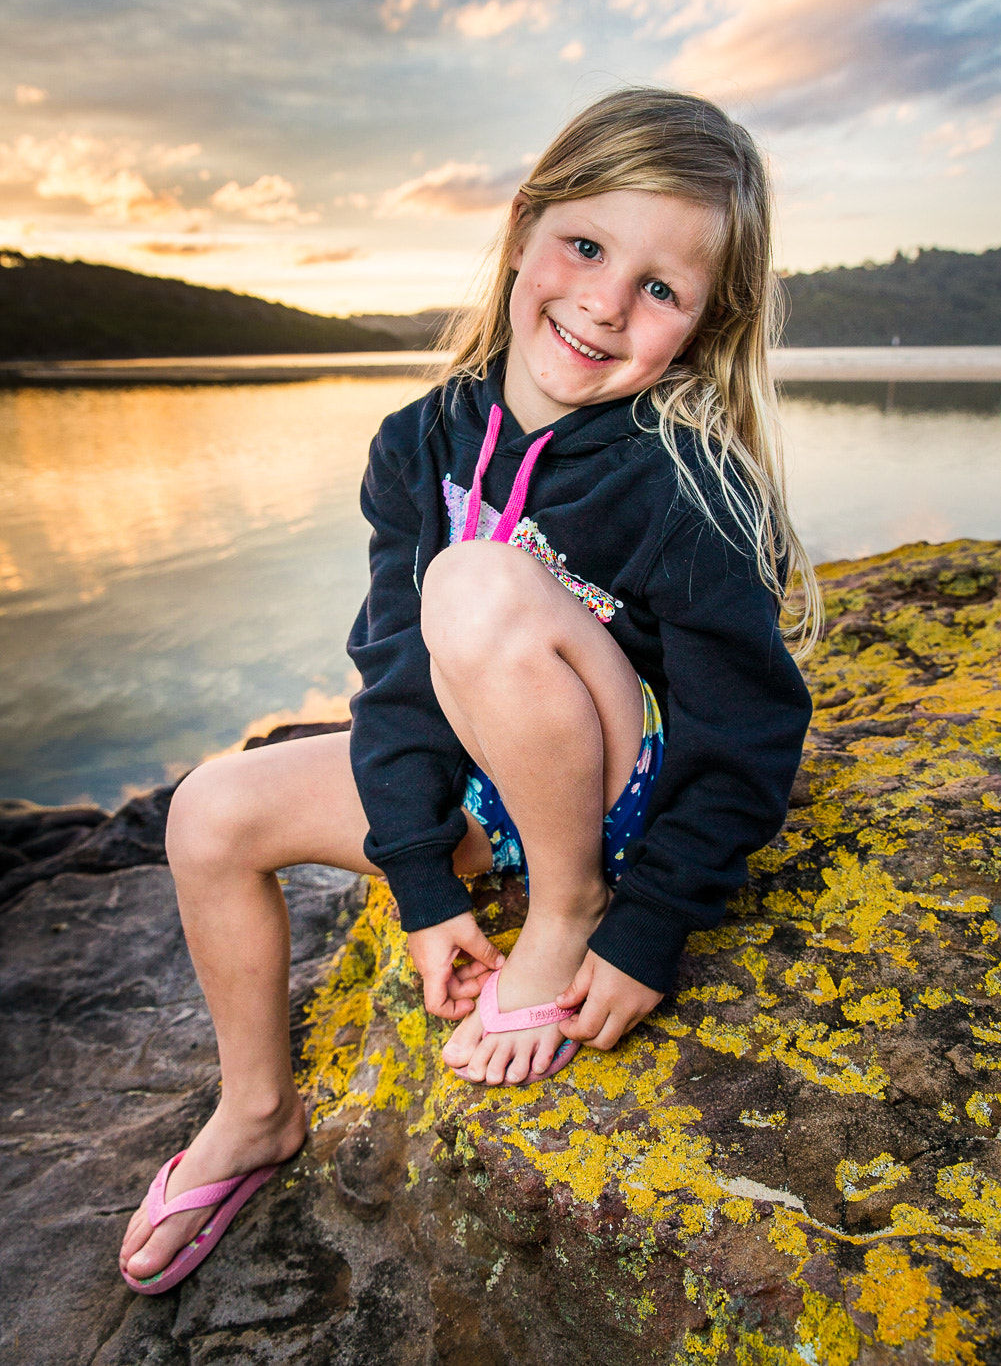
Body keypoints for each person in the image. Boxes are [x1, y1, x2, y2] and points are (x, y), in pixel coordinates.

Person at [119, 87, 819, 1291]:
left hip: (615, 782)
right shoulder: (416, 440)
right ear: (521, 230)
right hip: (484, 782)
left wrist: (648, 926)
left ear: (703, 325)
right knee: (210, 814)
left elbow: (750, 733)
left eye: (659, 288)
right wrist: (413, 875)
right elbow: (392, 671)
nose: (603, 301)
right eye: (586, 247)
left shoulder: (686, 482)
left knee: (478, 585)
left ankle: (561, 910)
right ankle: (256, 1109)